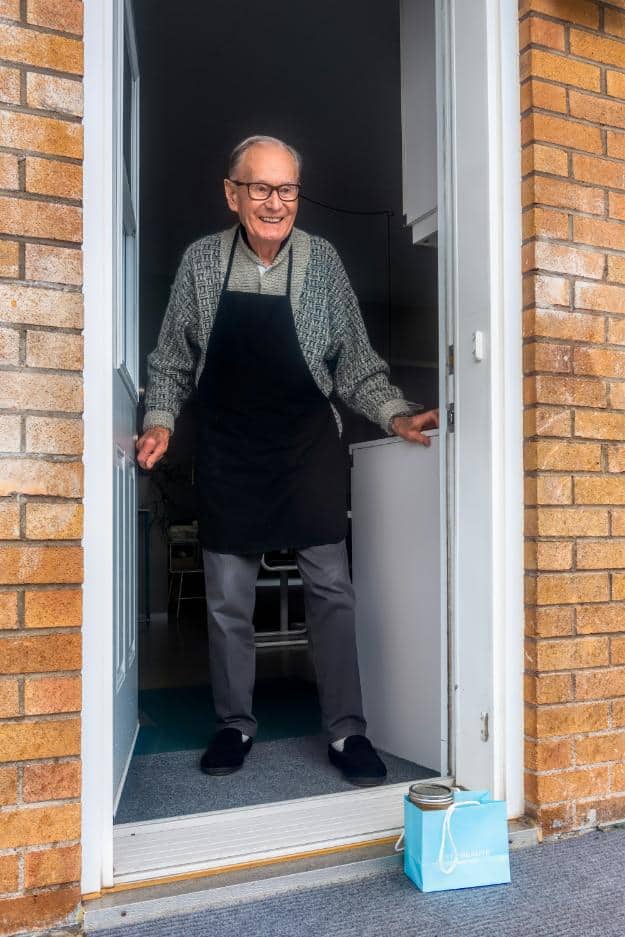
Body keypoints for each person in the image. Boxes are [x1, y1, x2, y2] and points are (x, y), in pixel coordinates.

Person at [137, 135, 439, 786]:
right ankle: (234, 722)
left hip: (305, 445)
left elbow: (354, 364)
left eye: (287, 190)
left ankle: (345, 731)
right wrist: (159, 420)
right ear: (232, 193)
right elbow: (169, 362)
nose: (275, 203)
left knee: (330, 590)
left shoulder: (322, 262)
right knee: (226, 599)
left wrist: (394, 412)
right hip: (230, 449)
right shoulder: (199, 263)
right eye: (260, 188)